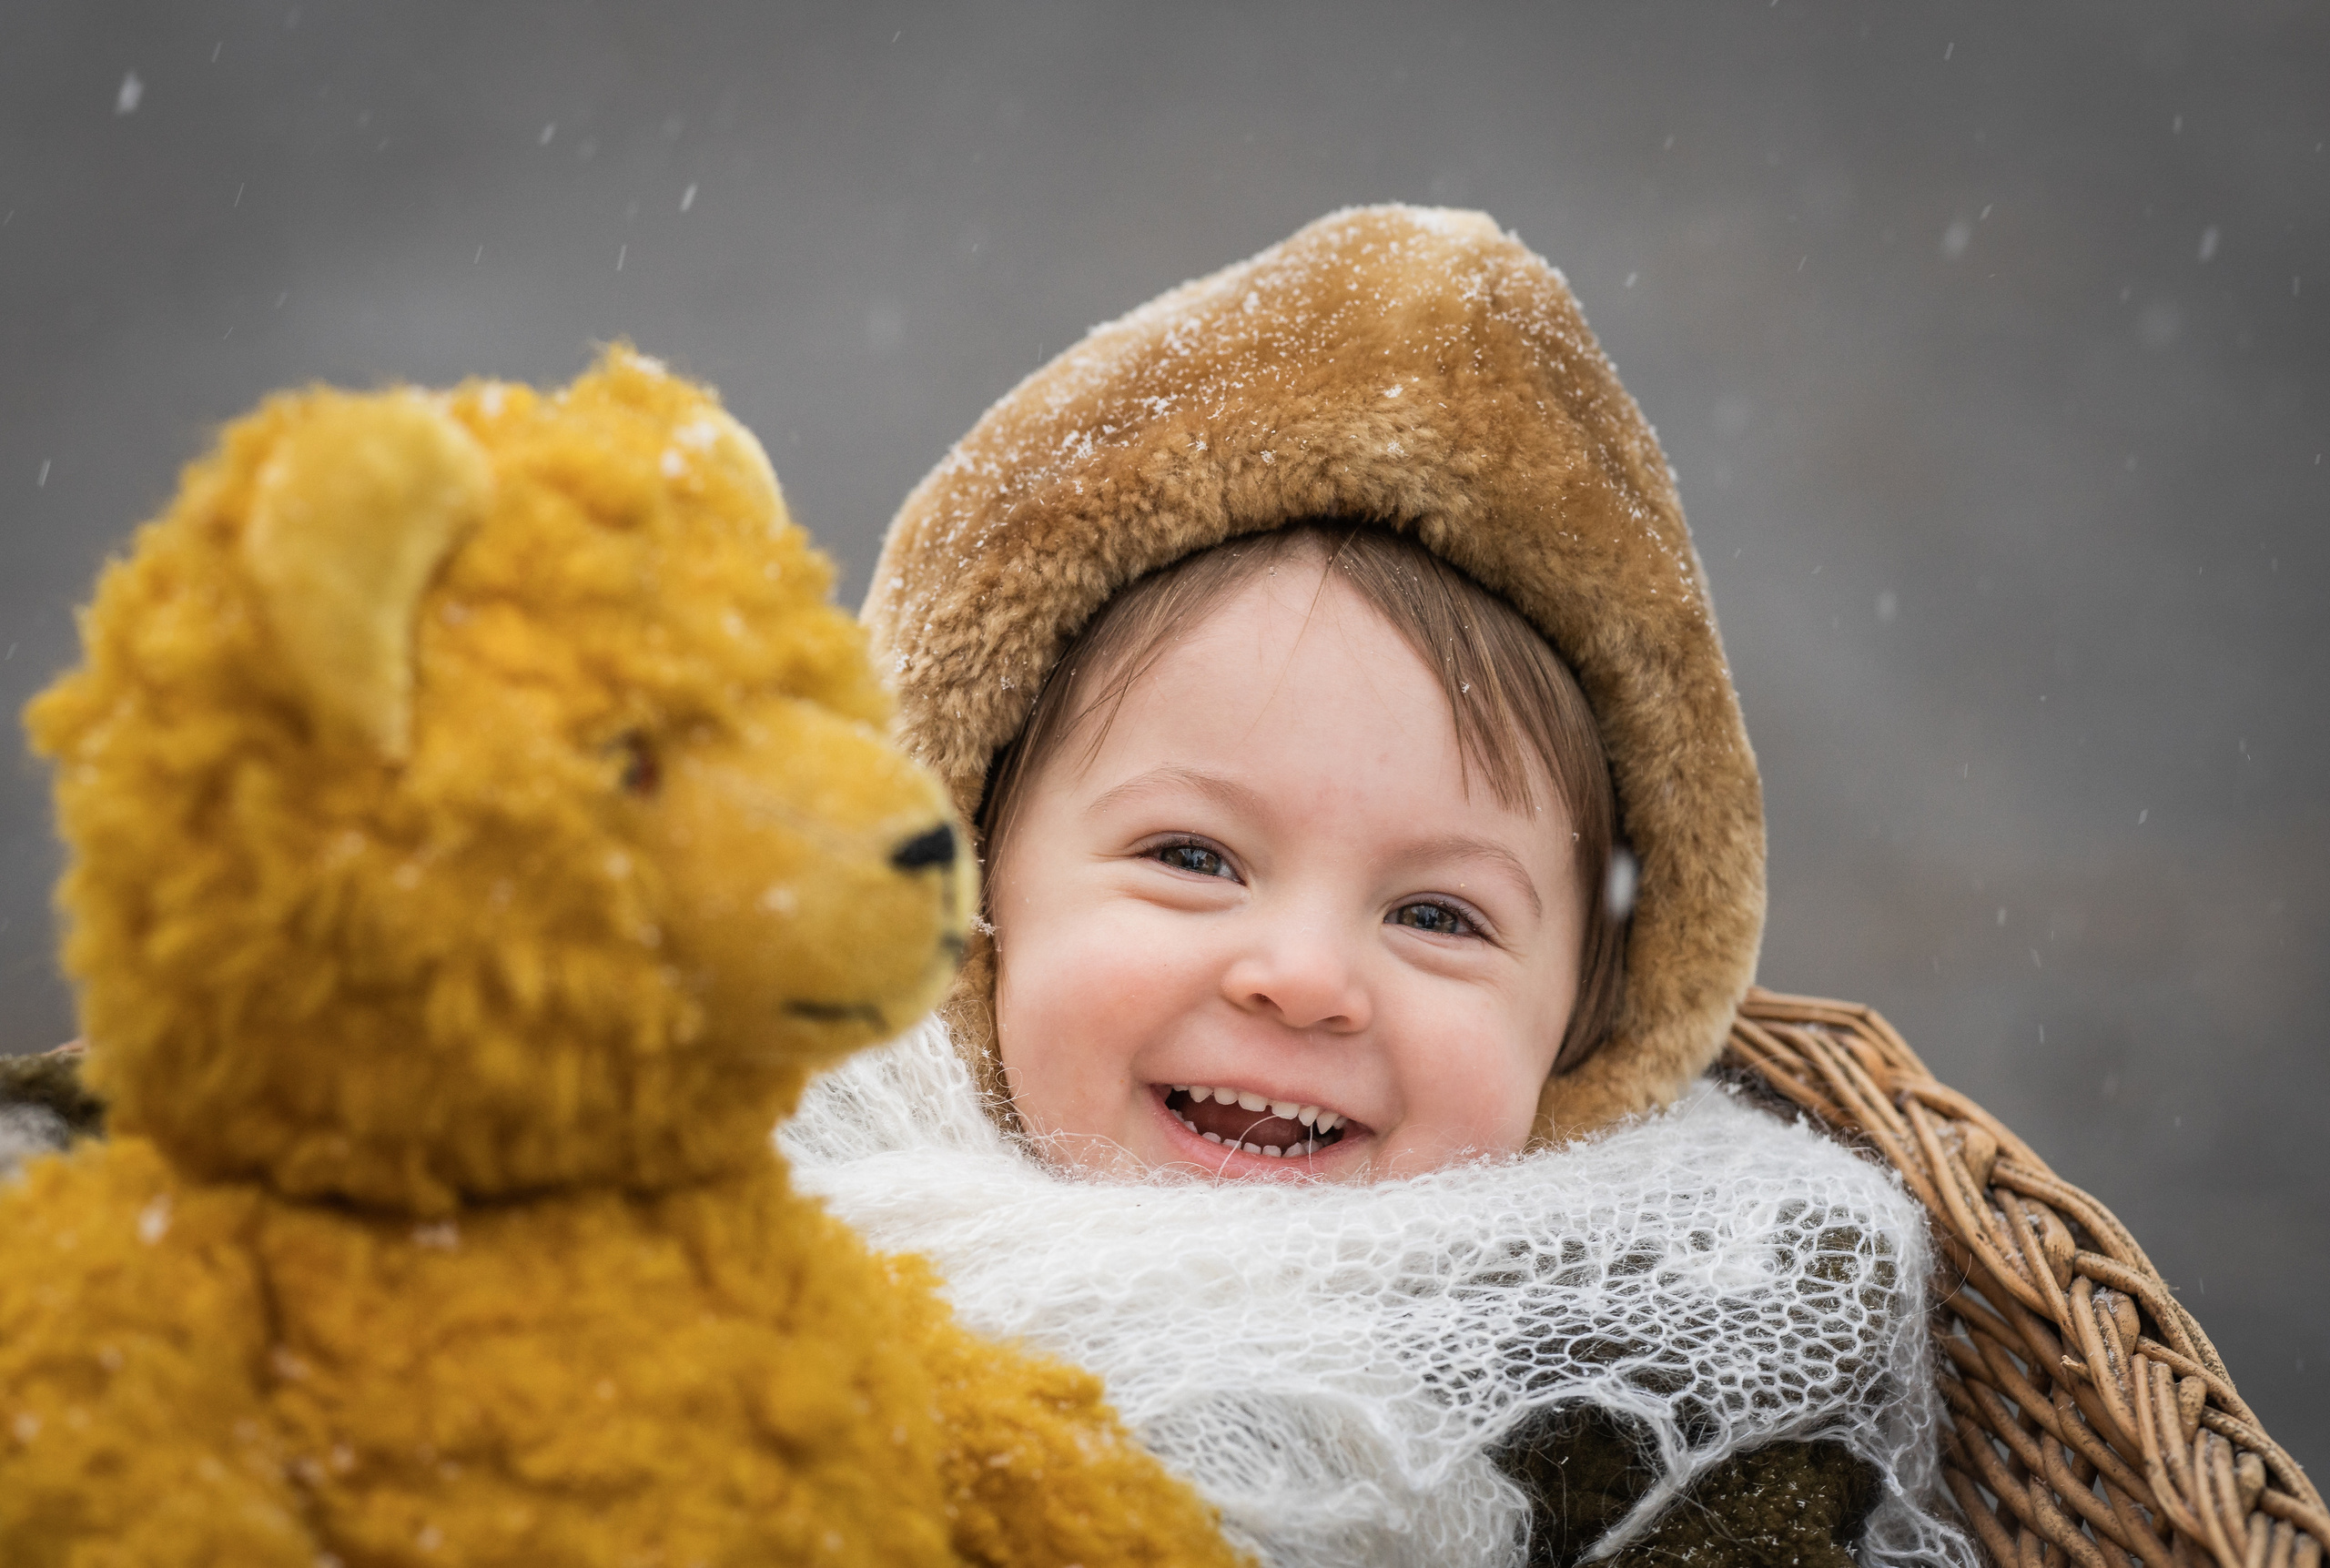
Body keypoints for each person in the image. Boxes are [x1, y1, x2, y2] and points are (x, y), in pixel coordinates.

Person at [781, 207, 1976, 1568]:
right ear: (978, 901)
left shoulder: (1643, 1372)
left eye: (1435, 916)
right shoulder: (794, 1207)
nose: (1301, 978)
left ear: (1585, 1029)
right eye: (1192, 859)